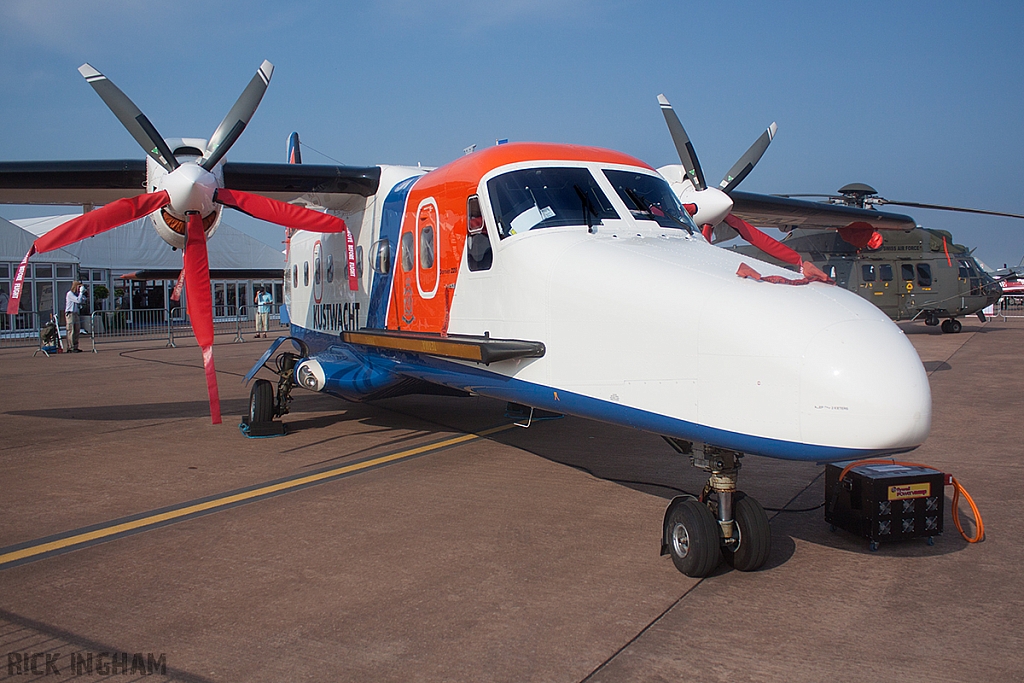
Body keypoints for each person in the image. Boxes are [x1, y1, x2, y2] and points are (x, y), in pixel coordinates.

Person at [65, 281, 86, 352]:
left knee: (77, 330)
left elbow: (83, 300)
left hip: (76, 313)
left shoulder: (77, 294)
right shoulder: (70, 294)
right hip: (70, 314)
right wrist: (80, 293)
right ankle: (70, 347)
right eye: (79, 287)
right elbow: (78, 301)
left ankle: (75, 346)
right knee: (71, 330)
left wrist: (83, 293)